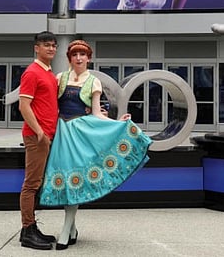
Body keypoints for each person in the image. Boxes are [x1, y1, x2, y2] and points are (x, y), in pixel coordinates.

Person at [40, 40, 152, 249]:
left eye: (83, 54)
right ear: (70, 58)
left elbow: (97, 113)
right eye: (75, 54)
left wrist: (118, 124)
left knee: (75, 179)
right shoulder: (59, 78)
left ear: (89, 58)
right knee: (65, 179)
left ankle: (66, 230)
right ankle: (71, 229)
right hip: (62, 134)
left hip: (81, 134)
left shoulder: (94, 82)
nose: (79, 58)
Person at [17, 31, 60, 250]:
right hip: (36, 137)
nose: (51, 49)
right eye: (46, 45)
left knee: (38, 183)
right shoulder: (32, 73)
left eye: (53, 45)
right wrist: (40, 132)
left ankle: (32, 228)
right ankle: (27, 231)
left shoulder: (50, 74)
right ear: (36, 48)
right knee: (31, 184)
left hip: (47, 136)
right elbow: (23, 106)